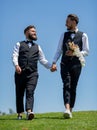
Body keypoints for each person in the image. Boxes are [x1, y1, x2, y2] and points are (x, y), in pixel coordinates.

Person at [51, 14, 89, 118]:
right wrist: (54, 62)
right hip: (64, 63)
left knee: (73, 86)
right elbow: (59, 50)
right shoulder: (63, 35)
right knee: (66, 84)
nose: (65, 23)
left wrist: (75, 53)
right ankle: (67, 109)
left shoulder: (83, 35)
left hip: (77, 64)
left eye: (67, 21)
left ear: (73, 21)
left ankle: (70, 110)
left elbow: (86, 51)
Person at [12, 25, 51, 120]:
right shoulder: (19, 44)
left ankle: (29, 112)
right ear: (26, 33)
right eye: (33, 31)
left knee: (30, 91)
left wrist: (51, 66)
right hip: (20, 73)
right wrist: (16, 65)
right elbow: (14, 56)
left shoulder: (37, 47)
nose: (35, 33)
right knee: (19, 93)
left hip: (33, 73)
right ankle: (20, 113)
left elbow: (42, 60)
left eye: (35, 31)